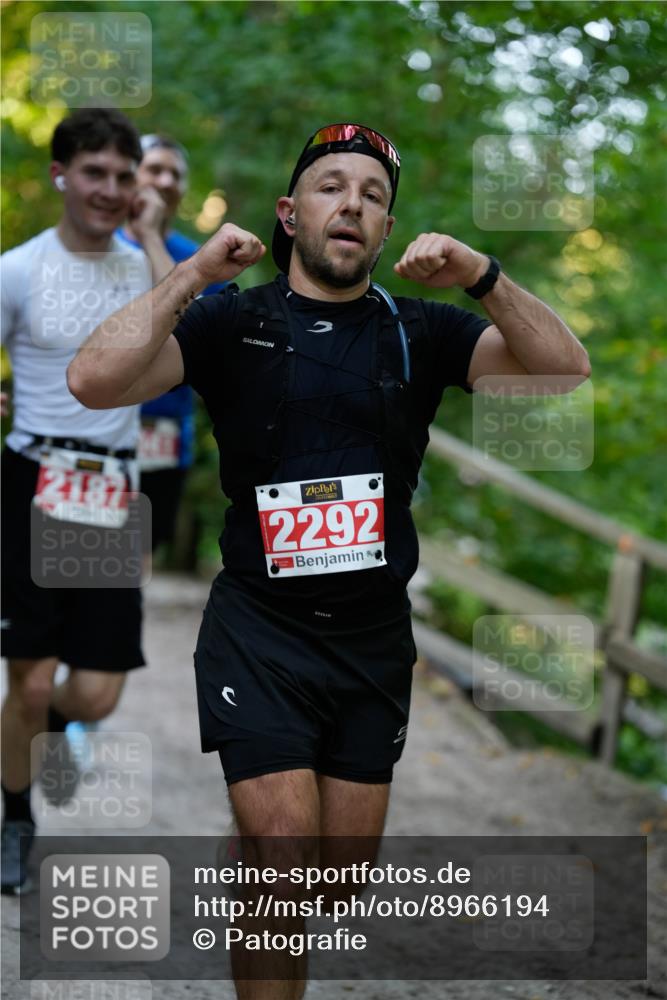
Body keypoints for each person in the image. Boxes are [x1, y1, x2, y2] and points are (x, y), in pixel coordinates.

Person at [68, 122, 590, 997]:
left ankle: (256, 850)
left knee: (331, 882)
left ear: (386, 231)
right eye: (329, 186)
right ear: (289, 212)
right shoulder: (234, 319)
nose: (351, 202)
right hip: (258, 630)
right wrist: (194, 274)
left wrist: (481, 276)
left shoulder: (419, 331)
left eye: (373, 196)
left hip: (371, 641)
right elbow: (93, 380)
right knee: (281, 864)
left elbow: (561, 370)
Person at [0, 107, 173, 894]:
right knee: (29, 681)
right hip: (32, 483)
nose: (109, 189)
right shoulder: (18, 269)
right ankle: (14, 818)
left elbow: (180, 341)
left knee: (95, 690)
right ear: (60, 175)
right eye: (93, 173)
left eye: (122, 175)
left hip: (109, 487)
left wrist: (150, 237)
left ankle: (38, 730)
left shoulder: (145, 263)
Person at [116, 134, 224, 554]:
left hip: (162, 438)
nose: (164, 180)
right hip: (90, 433)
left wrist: (152, 239)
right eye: (154, 168)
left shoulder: (204, 261)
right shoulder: (92, 249)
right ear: (132, 177)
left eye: (174, 173)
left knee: (134, 560)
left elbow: (191, 331)